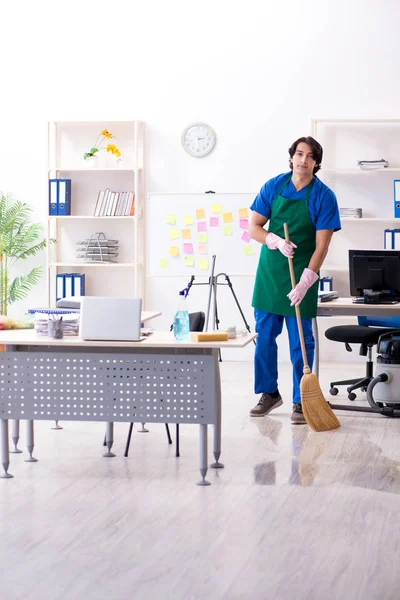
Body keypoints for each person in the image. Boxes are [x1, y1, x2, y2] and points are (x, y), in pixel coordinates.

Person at [249, 136, 341, 424]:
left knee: (301, 343)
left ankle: (302, 401)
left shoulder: (324, 196)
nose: (303, 160)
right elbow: (254, 227)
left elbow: (322, 245)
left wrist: (306, 281)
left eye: (310, 156)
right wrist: (273, 240)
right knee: (264, 338)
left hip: (302, 273)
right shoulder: (274, 186)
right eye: (299, 154)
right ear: (291, 157)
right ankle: (268, 393)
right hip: (271, 274)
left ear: (317, 162)